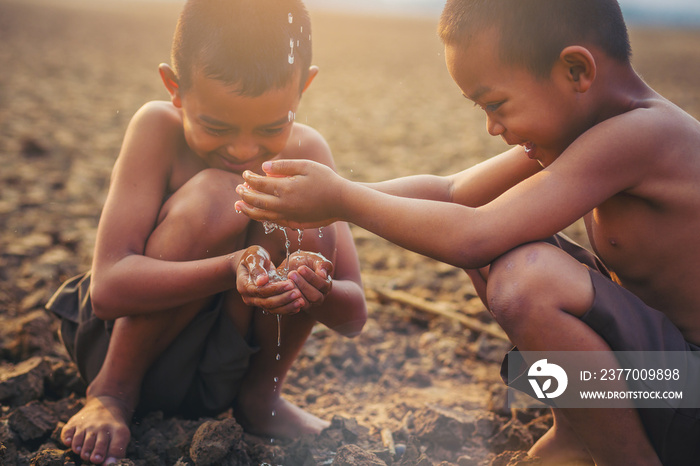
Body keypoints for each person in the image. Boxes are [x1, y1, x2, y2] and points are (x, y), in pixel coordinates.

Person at [234, 0, 700, 464]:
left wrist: (342, 200)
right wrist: (332, 198)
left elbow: (473, 235)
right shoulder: (583, 122)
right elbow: (454, 193)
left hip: (686, 391)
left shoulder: (640, 135)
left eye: (496, 104)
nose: (491, 126)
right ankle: (579, 432)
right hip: (664, 378)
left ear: (576, 71)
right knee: (495, 247)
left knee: (527, 277)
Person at [45, 0, 367, 464]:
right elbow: (108, 290)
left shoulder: (309, 151)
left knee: (306, 227)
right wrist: (231, 268)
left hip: (226, 374)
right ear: (175, 88)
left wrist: (313, 286)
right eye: (216, 125)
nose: (241, 148)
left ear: (303, 89)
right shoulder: (158, 127)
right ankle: (111, 394)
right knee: (222, 193)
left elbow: (353, 315)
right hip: (133, 352)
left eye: (272, 126)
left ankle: (261, 401)